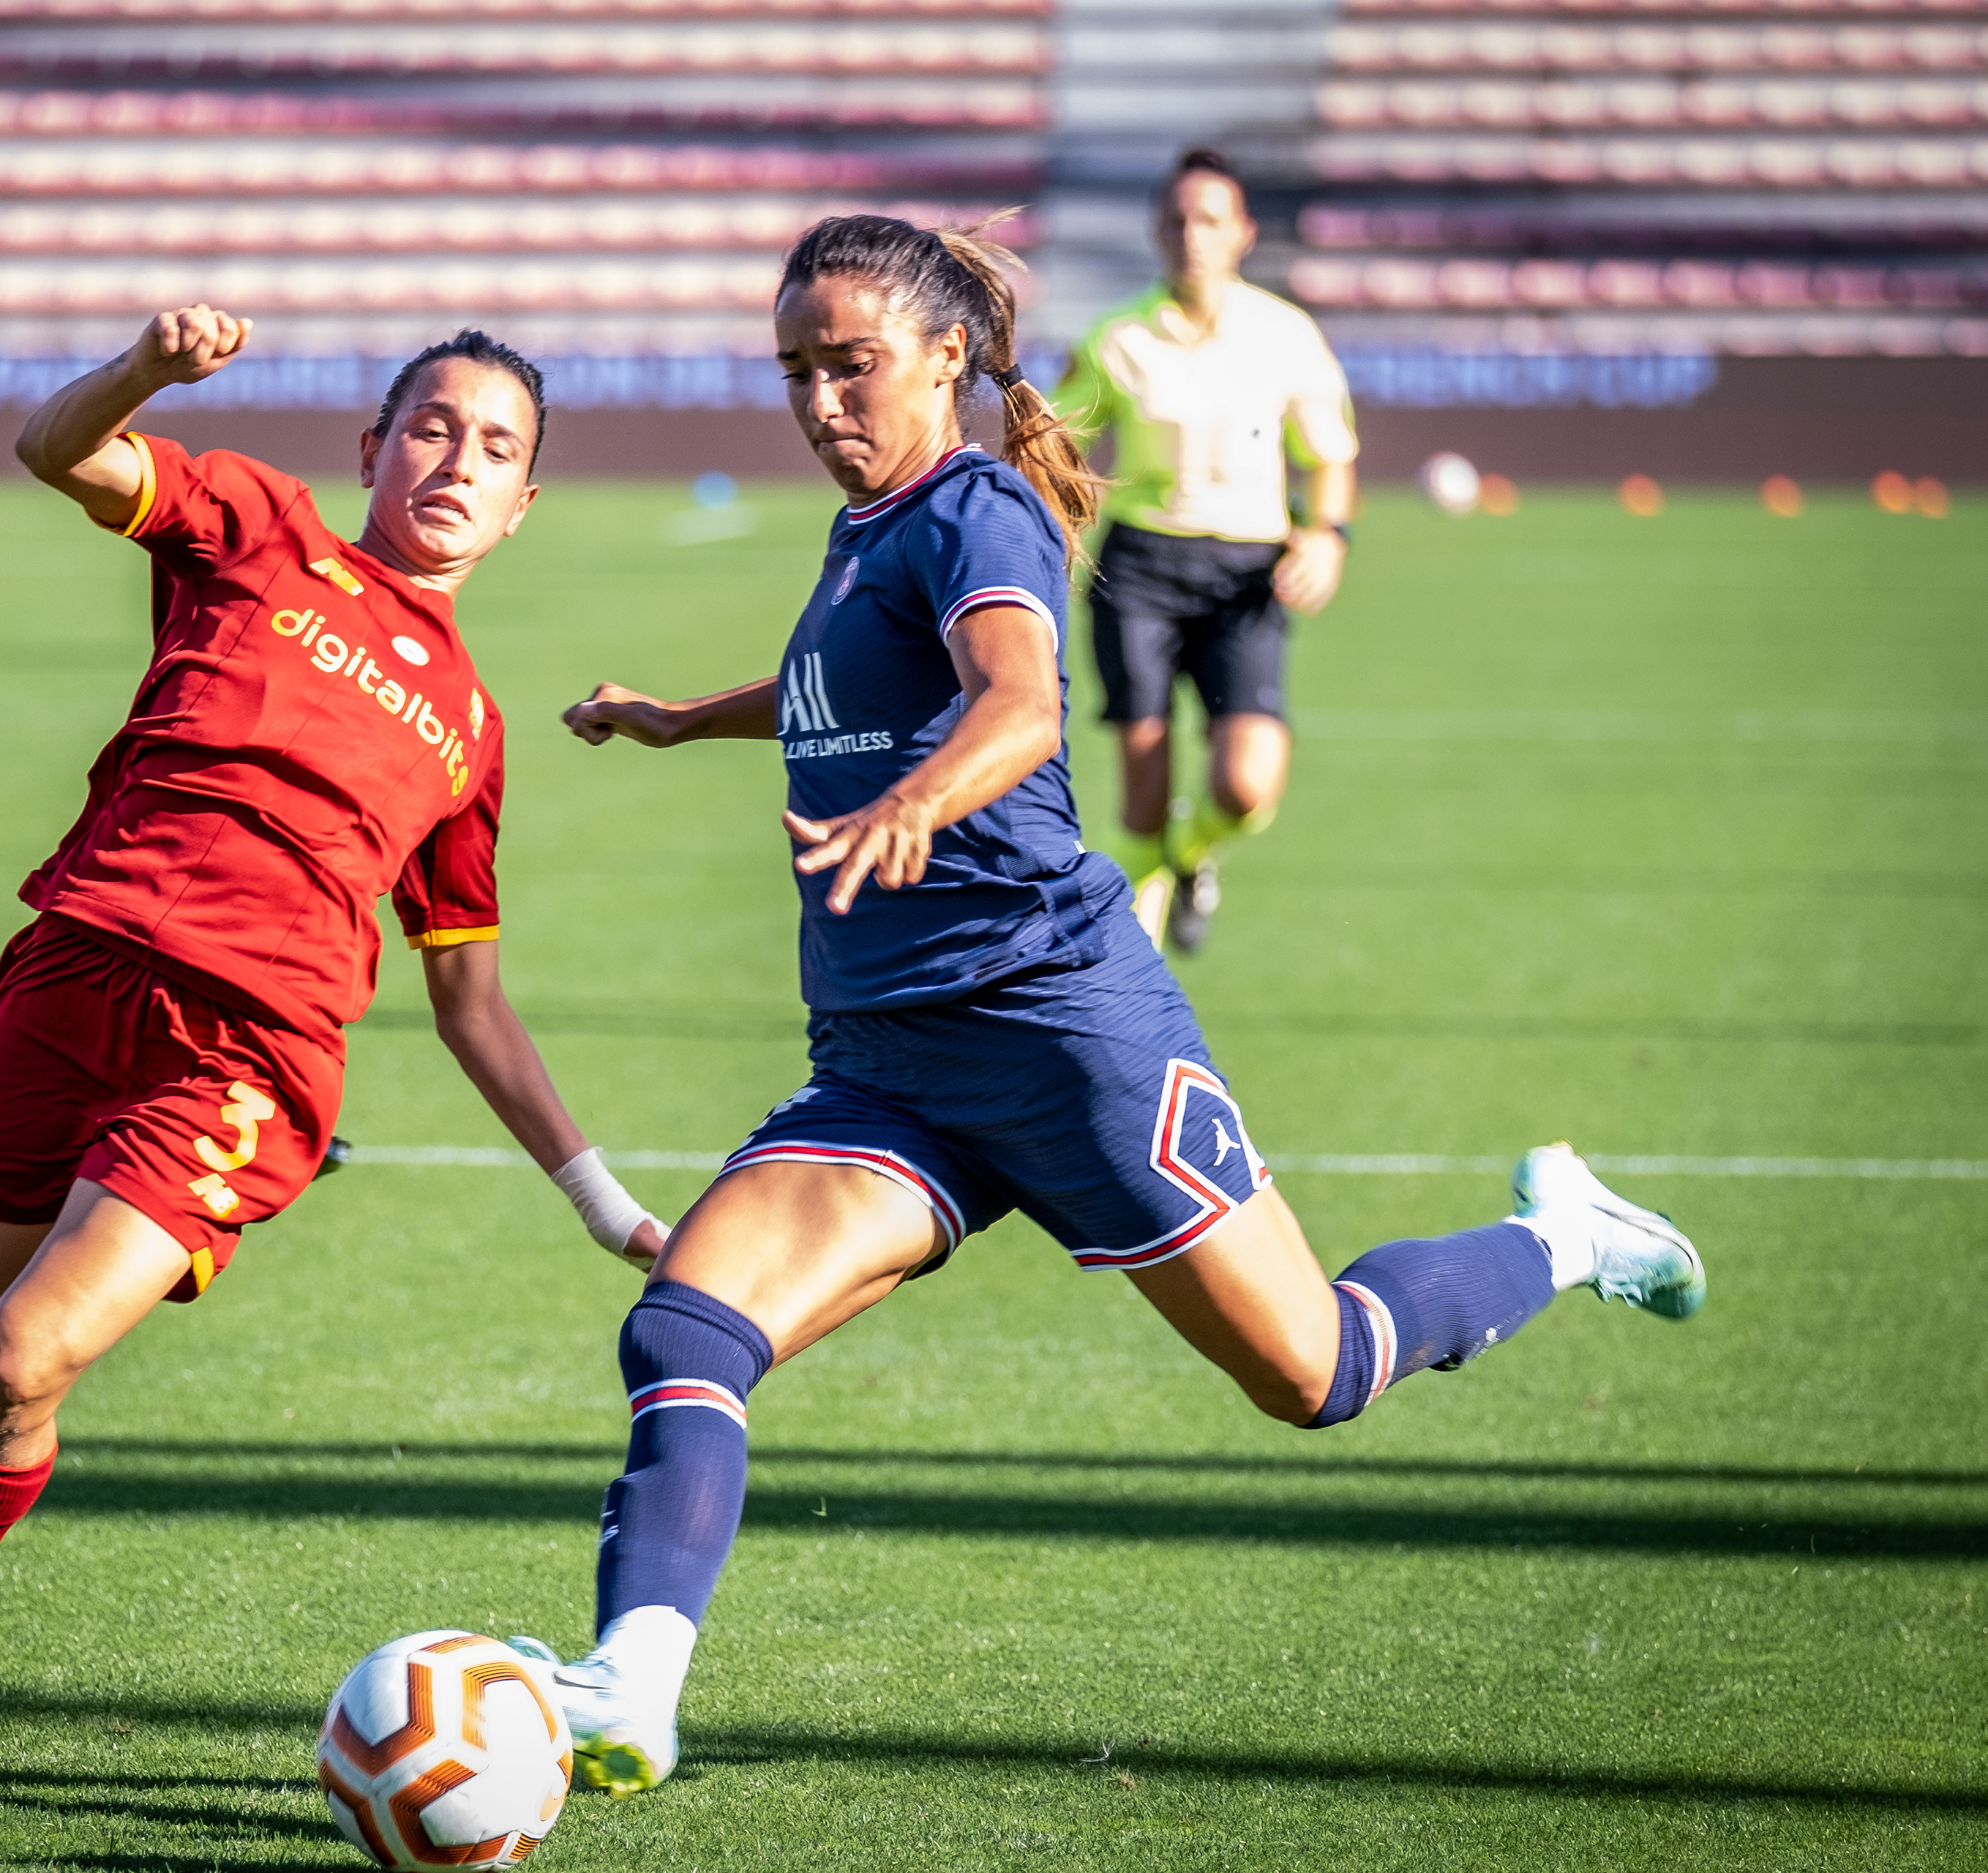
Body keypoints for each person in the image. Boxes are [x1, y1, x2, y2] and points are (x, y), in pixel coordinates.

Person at [539, 214, 1702, 1796]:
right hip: (889, 1063)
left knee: (1318, 1372)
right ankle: (631, 1686)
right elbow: (848, 695)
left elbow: (1020, 700)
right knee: (687, 1323)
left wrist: (919, 806)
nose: (818, 400)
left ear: (945, 356)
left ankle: (1561, 1234)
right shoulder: (868, 527)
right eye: (796, 370)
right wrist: (688, 719)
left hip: (1061, 1031)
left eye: (850, 364)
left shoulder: (977, 508)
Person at [0, 307, 670, 1744]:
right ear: (373, 448)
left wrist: (604, 1203)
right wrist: (149, 370)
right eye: (434, 427)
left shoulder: (470, 730)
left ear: (523, 505)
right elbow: (52, 448)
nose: (459, 461)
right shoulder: (258, 526)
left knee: (20, 1360)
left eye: (496, 448)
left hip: (245, 1059)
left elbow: (470, 998)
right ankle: (6, 1422)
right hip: (71, 977)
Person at [1054, 147, 1358, 952]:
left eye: (1211, 220)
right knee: (1141, 800)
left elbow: (1330, 457)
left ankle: (1194, 855)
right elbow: (1058, 447)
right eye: (1179, 220)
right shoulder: (1117, 335)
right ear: (1158, 232)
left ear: (1244, 233)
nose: (1194, 235)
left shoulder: (1287, 334)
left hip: (1248, 575)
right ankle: (1136, 974)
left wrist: (1328, 537)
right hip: (1140, 570)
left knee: (1246, 788)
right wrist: (1054, 522)